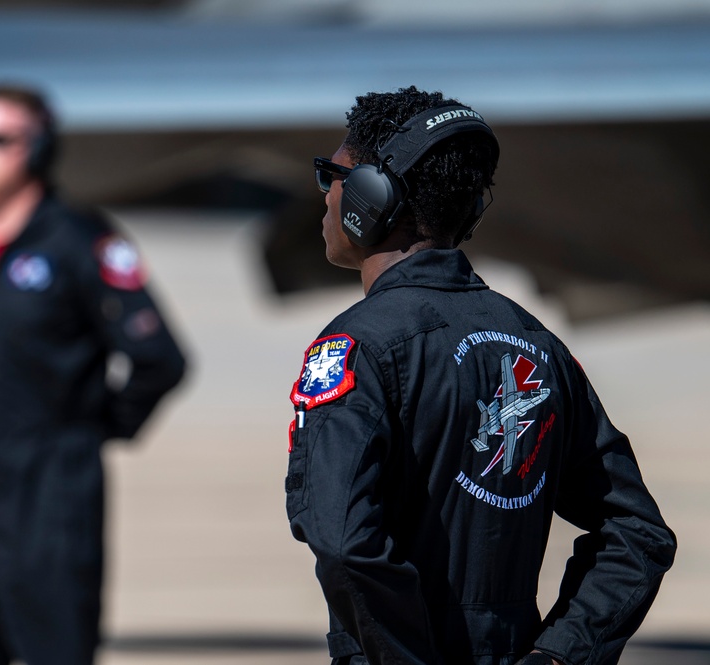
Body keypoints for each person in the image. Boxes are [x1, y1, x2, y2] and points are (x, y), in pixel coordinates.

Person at [284, 86, 675, 665]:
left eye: (332, 176)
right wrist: (560, 654)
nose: (325, 198)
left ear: (372, 195)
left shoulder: (357, 348)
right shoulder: (540, 347)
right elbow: (637, 533)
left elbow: (343, 545)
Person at [0, 83, 186, 665]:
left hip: (52, 488)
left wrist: (94, 424)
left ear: (37, 150)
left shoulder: (81, 239)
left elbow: (159, 357)